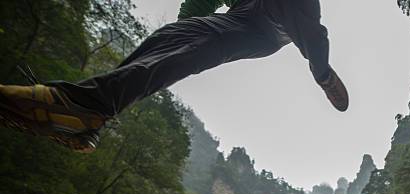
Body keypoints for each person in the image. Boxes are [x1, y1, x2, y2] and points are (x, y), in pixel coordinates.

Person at [0, 0, 349, 153]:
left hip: (275, 25)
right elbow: (198, 6)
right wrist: (178, 37)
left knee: (211, 38)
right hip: (243, 14)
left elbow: (307, 23)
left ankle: (321, 71)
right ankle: (85, 112)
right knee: (174, 36)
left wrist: (320, 70)